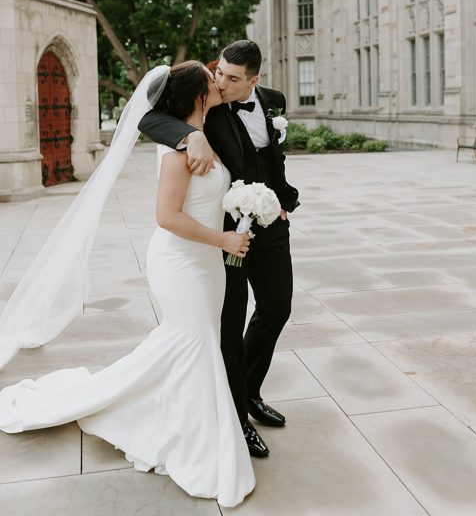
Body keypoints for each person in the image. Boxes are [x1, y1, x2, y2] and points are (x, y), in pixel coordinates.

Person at [0, 61, 256, 506]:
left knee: (188, 344)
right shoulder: (177, 151)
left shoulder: (202, 133)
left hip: (207, 264)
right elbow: (167, 217)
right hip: (180, 263)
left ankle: (173, 417)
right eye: (210, 76)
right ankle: (194, 444)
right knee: (193, 341)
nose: (218, 78)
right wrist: (224, 240)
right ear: (198, 95)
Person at [138, 40, 299, 458]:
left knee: (277, 307)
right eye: (218, 73)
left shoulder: (274, 102)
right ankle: (236, 414)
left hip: (270, 224)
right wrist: (190, 134)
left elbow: (275, 158)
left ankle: (249, 391)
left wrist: (284, 201)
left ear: (254, 80)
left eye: (232, 78)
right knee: (229, 322)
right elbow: (151, 117)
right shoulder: (210, 106)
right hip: (225, 233)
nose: (222, 83)